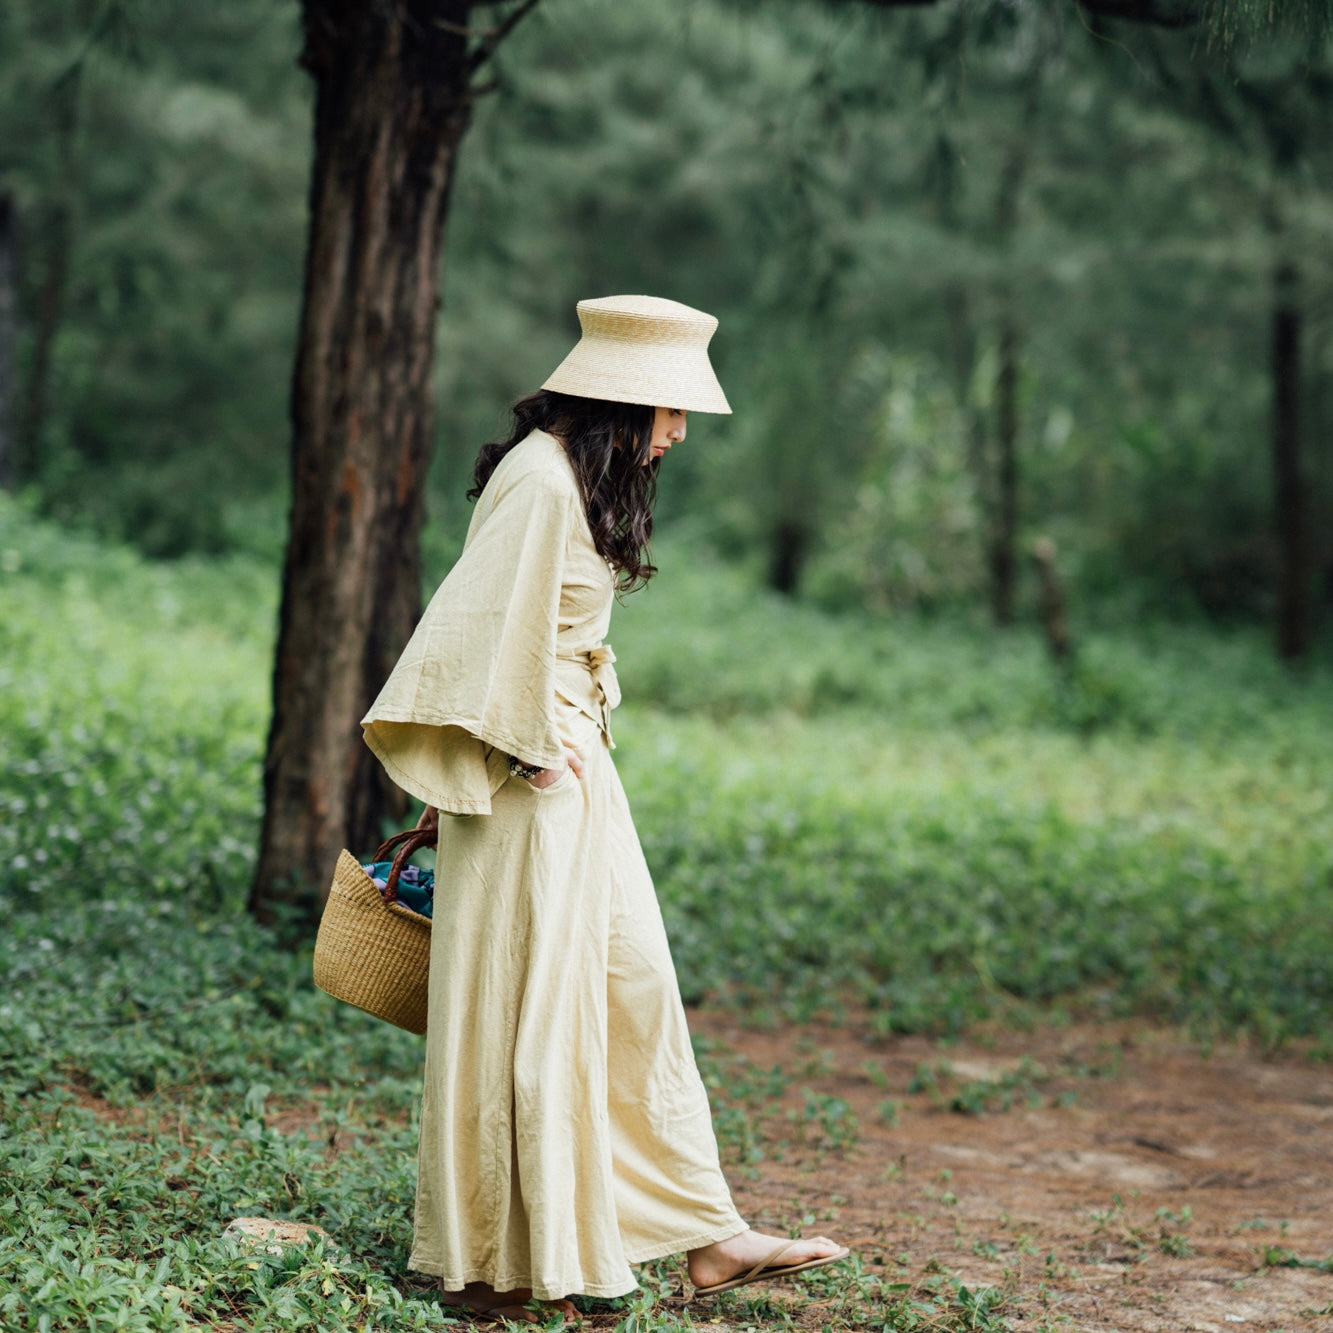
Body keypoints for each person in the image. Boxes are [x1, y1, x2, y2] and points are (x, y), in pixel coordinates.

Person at [361, 295, 848, 1323]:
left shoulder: (568, 476)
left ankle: (705, 1232)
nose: (677, 434)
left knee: (632, 988)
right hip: (534, 784)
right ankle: (505, 1256)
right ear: (624, 400)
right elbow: (470, 631)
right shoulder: (538, 482)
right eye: (671, 412)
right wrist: (531, 753)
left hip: (579, 773)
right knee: (542, 1006)